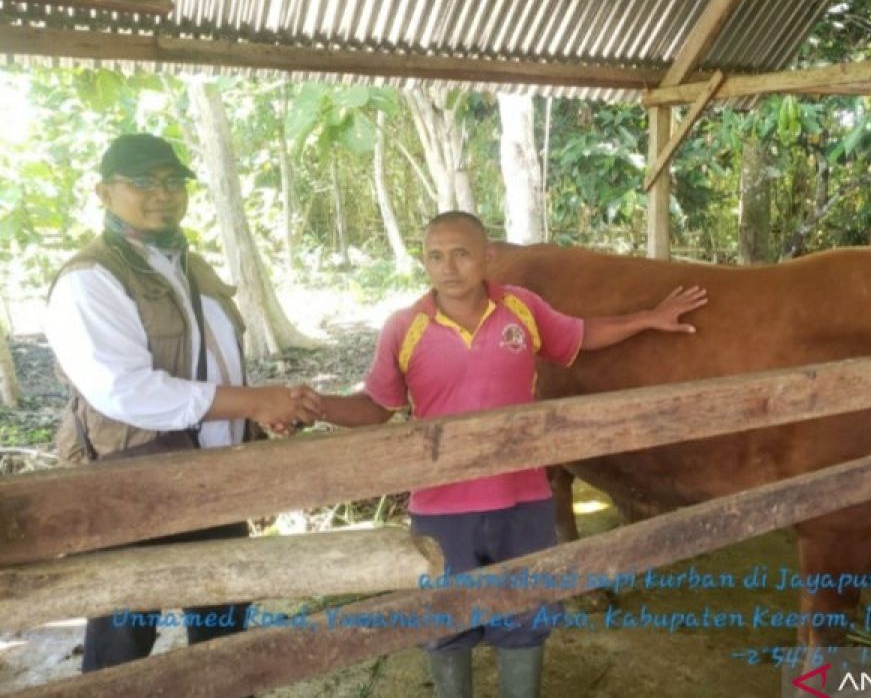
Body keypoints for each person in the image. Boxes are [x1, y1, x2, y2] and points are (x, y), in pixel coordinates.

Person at [317, 210, 707, 698]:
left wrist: (647, 319)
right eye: (435, 256)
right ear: (424, 262)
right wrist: (318, 405)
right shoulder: (404, 328)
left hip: (523, 501)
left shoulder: (521, 309)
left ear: (488, 258)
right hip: (441, 509)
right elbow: (376, 406)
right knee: (445, 623)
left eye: (461, 254)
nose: (448, 267)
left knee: (524, 615)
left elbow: (581, 335)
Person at [44, 132, 321, 672]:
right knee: (126, 632)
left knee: (223, 625)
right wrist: (252, 401)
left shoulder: (188, 266)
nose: (162, 194)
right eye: (143, 182)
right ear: (104, 192)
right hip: (133, 484)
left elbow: (212, 361)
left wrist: (258, 416)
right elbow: (127, 391)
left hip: (213, 477)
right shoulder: (91, 278)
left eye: (173, 182)